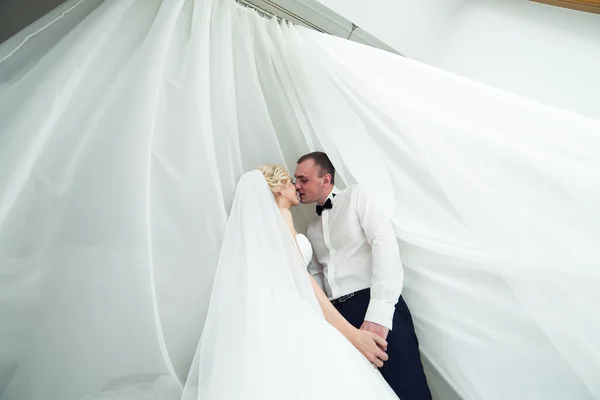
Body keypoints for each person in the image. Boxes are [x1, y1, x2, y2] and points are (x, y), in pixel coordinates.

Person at [295, 152, 432, 400]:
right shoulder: (311, 227)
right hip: (340, 321)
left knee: (409, 390)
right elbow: (317, 275)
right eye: (296, 180)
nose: (297, 186)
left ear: (326, 179)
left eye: (303, 179)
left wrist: (379, 313)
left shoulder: (357, 197)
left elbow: (385, 245)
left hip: (373, 306)